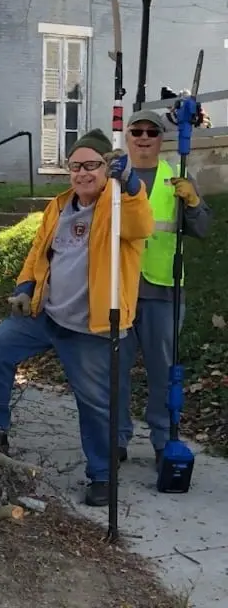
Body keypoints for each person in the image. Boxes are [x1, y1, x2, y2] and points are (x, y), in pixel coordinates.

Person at [0, 130, 154, 507]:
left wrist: (132, 184)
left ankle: (103, 475)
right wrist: (25, 286)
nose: (83, 173)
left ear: (107, 167)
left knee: (94, 402)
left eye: (92, 165)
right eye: (76, 166)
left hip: (92, 325)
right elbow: (38, 252)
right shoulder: (58, 206)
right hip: (48, 314)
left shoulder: (118, 204)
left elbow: (142, 226)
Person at [118, 110, 212, 469]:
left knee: (162, 372)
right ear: (128, 136)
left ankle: (162, 438)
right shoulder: (115, 176)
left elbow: (201, 229)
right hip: (121, 288)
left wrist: (192, 202)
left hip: (164, 290)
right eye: (137, 131)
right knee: (116, 370)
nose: (144, 137)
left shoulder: (178, 178)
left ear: (161, 139)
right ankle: (117, 439)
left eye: (152, 132)